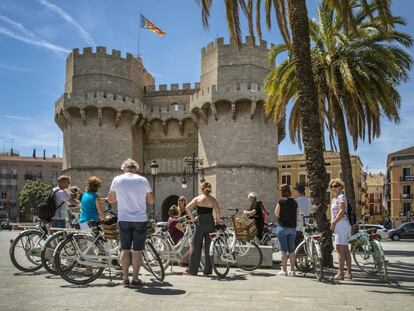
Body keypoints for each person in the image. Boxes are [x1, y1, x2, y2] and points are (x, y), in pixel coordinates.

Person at [107, 159, 154, 287]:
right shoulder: (143, 180)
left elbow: (110, 200)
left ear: (123, 168)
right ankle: (135, 279)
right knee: (138, 251)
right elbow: (151, 200)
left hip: (124, 218)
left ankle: (125, 278)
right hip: (139, 219)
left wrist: (122, 195)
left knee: (125, 249)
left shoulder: (117, 179)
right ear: (136, 169)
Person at [183, 182, 221, 276]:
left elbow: (187, 208)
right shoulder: (213, 200)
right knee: (209, 247)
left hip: (200, 222)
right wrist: (217, 222)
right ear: (210, 189)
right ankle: (207, 270)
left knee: (196, 246)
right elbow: (218, 213)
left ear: (202, 189)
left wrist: (193, 219)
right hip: (210, 222)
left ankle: (192, 270)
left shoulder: (198, 198)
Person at [329, 178, 352, 280]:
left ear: (340, 187)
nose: (333, 188)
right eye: (331, 186)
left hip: (341, 224)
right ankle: (349, 273)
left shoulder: (341, 197)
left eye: (335, 186)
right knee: (346, 250)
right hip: (342, 224)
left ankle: (340, 273)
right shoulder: (335, 199)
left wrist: (334, 222)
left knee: (340, 250)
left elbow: (341, 211)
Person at [275, 184, 298, 276]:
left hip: (282, 227)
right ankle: (292, 270)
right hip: (292, 228)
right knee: (291, 250)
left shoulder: (281, 201)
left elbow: (276, 213)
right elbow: (297, 215)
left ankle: (284, 270)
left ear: (282, 192)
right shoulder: (294, 202)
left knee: (284, 250)